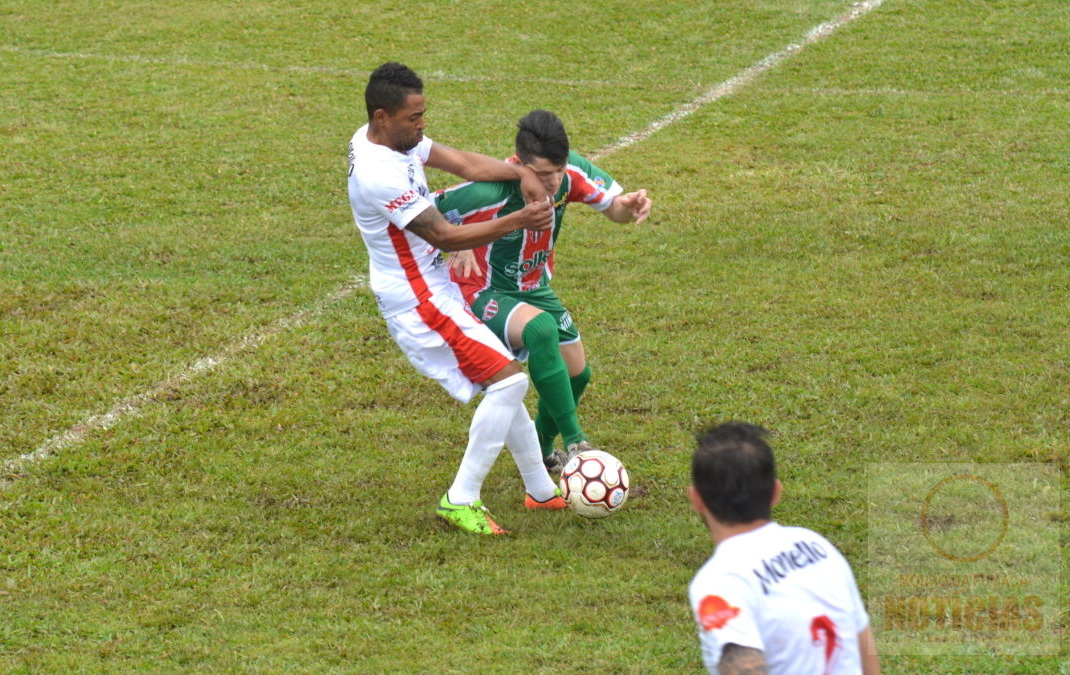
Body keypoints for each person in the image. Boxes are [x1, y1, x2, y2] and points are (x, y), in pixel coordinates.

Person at [346, 63, 568, 535]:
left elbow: (464, 163)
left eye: (423, 113)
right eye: (414, 117)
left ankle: (541, 491)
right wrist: (521, 219)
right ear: (382, 116)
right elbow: (446, 237)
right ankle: (460, 497)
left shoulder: (386, 137)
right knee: (509, 383)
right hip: (418, 299)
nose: (422, 123)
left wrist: (521, 172)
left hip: (433, 287)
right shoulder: (377, 173)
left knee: (501, 379)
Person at [433, 110, 652, 473]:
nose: (552, 182)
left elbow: (615, 210)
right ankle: (578, 443)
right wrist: (457, 240)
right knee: (541, 330)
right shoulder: (491, 189)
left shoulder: (570, 173)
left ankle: (540, 447)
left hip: (535, 288)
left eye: (558, 172)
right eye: (542, 174)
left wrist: (628, 208)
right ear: (519, 164)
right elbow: (422, 211)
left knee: (578, 375)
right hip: (483, 291)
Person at [687, 422, 880, 675]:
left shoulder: (720, 582)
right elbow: (864, 649)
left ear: (696, 499)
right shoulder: (817, 547)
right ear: (775, 492)